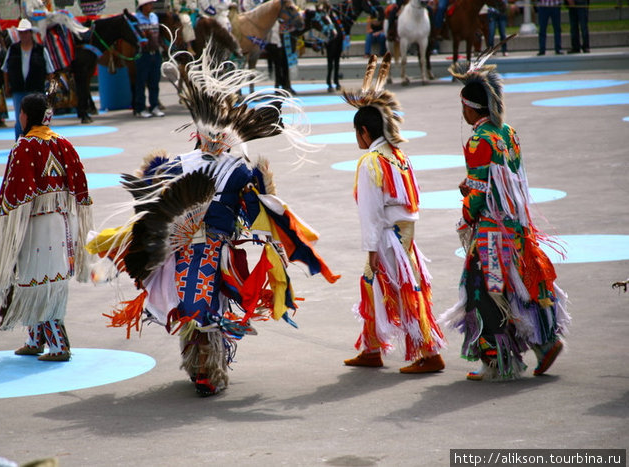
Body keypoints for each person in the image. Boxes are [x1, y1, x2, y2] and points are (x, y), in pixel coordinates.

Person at [87, 49, 340, 396]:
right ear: (197, 132)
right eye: (208, 132)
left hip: (215, 250)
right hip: (181, 249)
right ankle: (201, 368)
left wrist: (271, 232)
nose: (214, 139)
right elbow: (151, 204)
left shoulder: (237, 170)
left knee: (207, 305)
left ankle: (209, 368)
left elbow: (255, 212)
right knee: (193, 304)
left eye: (219, 133)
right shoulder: (178, 165)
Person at [441, 55, 570, 381]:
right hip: (516, 224)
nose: (462, 112)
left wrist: (466, 211)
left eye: (463, 106)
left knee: (480, 292)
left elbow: (481, 189)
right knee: (518, 287)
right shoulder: (507, 132)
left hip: (491, 230)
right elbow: (503, 177)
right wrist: (470, 186)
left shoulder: (478, 140)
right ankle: (545, 343)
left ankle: (497, 361)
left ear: (470, 107)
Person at [341, 54, 446, 373]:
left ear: (363, 131)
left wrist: (372, 249)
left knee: (401, 291)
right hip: (404, 237)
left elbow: (370, 212)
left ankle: (429, 352)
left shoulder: (371, 162)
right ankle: (372, 348)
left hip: (387, 239)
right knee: (376, 287)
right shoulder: (399, 156)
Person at [0, 92, 93, 362]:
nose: (18, 117)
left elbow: (14, 193)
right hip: (61, 221)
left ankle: (58, 345)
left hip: (35, 225)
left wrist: (8, 223)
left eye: (20, 112)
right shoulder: (63, 143)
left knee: (38, 279)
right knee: (41, 279)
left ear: (27, 115)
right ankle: (35, 339)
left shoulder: (25, 146)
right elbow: (80, 186)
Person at [2, 18, 55, 140]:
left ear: (31, 33)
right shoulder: (12, 49)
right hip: (18, 90)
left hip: (36, 91)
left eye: (26, 32)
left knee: (38, 120)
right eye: (21, 32)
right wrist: (6, 86)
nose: (24, 35)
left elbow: (50, 72)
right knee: (20, 120)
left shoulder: (41, 50)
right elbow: (5, 70)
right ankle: (20, 145)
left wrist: (51, 93)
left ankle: (40, 144)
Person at [133, 0, 165, 118]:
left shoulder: (154, 17)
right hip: (143, 53)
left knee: (154, 81)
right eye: (149, 4)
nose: (151, 6)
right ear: (143, 6)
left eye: (151, 4)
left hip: (155, 52)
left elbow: (158, 33)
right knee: (141, 81)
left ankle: (154, 106)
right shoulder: (136, 18)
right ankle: (140, 108)